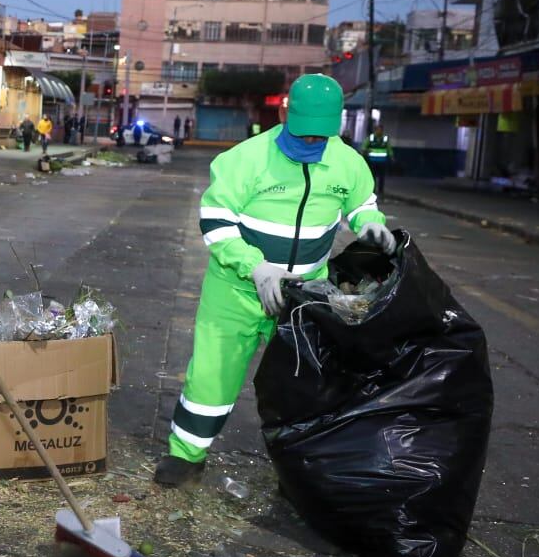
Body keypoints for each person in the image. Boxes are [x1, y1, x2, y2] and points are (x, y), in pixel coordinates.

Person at [153, 74, 395, 488]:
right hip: (237, 290)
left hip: (304, 296)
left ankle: (297, 471)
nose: (311, 142)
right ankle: (185, 457)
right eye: (304, 133)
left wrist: (371, 223)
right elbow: (215, 221)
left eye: (320, 135)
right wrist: (255, 266)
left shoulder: (347, 162)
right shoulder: (246, 159)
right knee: (212, 377)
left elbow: (361, 205)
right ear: (284, 115)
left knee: (305, 386)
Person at [365, 123, 393, 195]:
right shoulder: (370, 138)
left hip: (382, 161)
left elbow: (389, 148)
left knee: (382, 177)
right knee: (372, 177)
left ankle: (381, 191)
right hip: (372, 161)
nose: (379, 131)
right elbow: (364, 147)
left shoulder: (385, 139)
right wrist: (366, 151)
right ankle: (373, 190)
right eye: (378, 130)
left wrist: (391, 156)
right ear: (375, 130)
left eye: (381, 130)